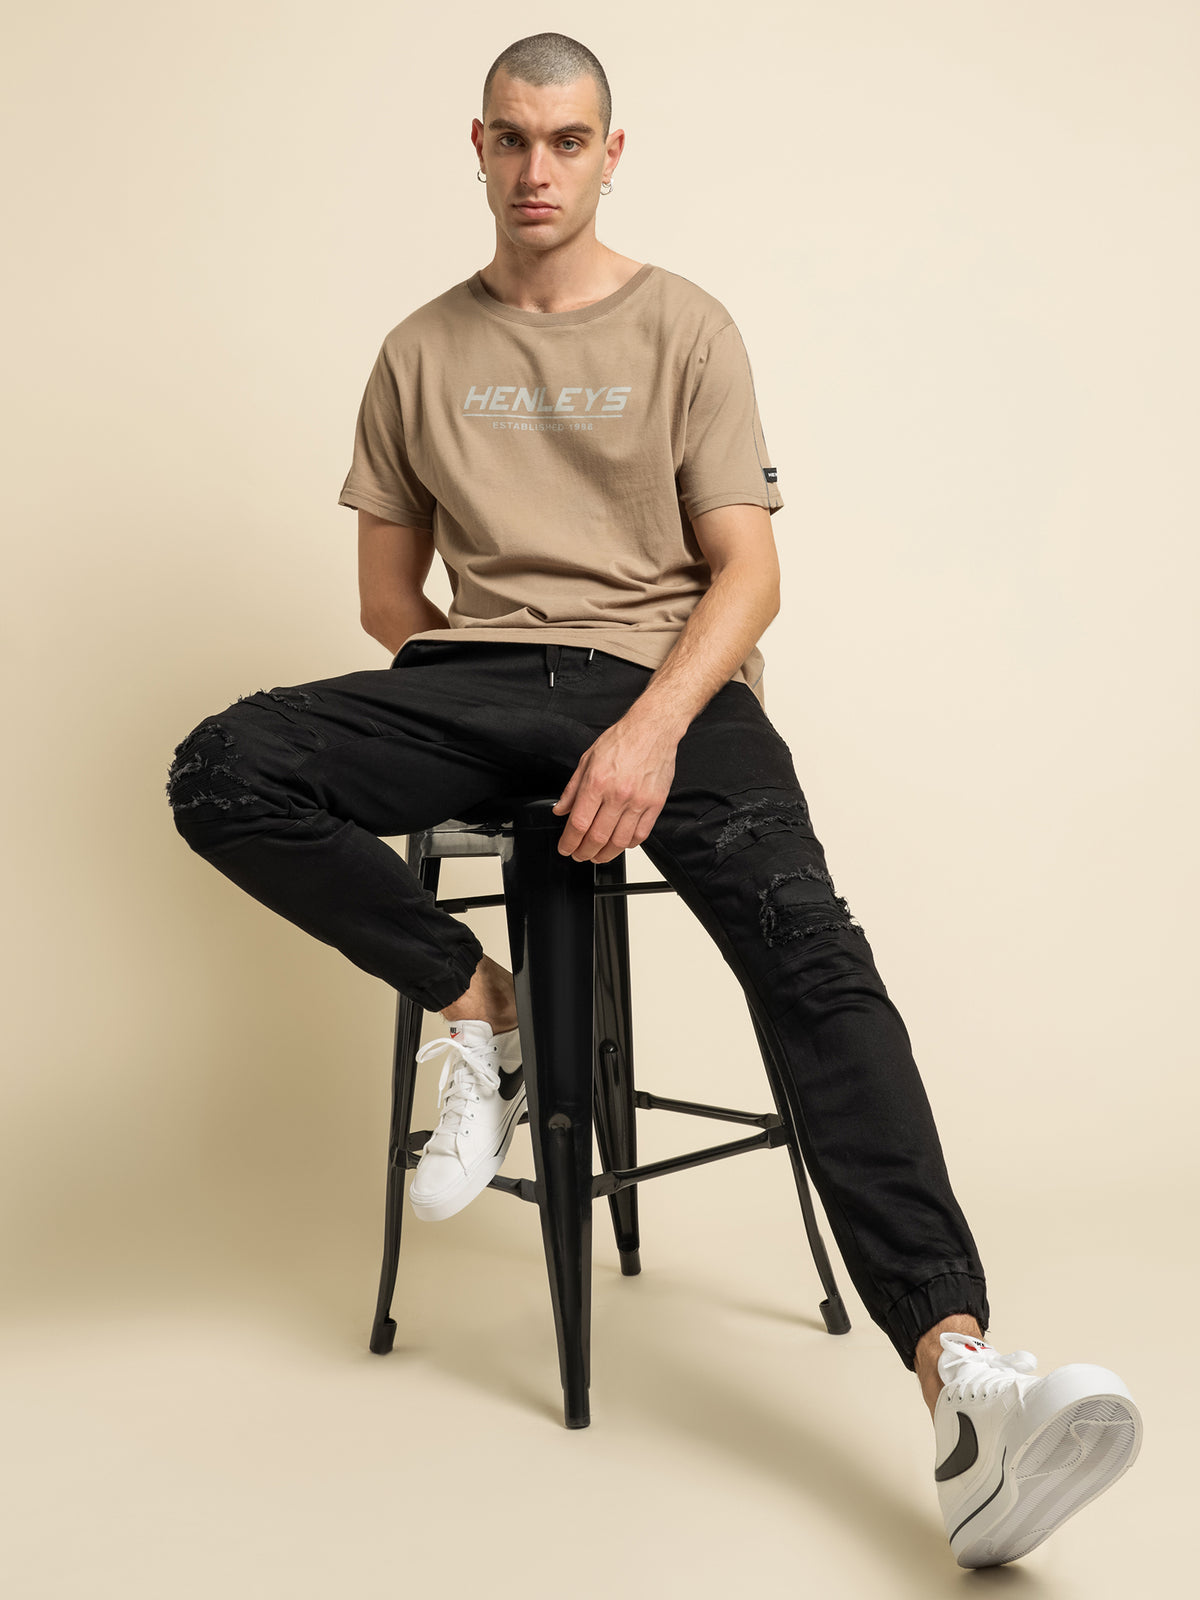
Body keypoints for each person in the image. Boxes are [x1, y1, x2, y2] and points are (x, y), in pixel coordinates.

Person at [165, 31, 1142, 1569]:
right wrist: (481, 717)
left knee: (815, 960)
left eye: (567, 140)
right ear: (476, 148)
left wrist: (644, 729)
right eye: (511, 139)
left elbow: (748, 575)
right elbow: (388, 602)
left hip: (673, 685)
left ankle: (964, 1383)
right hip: (480, 678)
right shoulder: (418, 351)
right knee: (224, 765)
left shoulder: (688, 325)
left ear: (611, 154)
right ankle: (479, 1002)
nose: (536, 168)